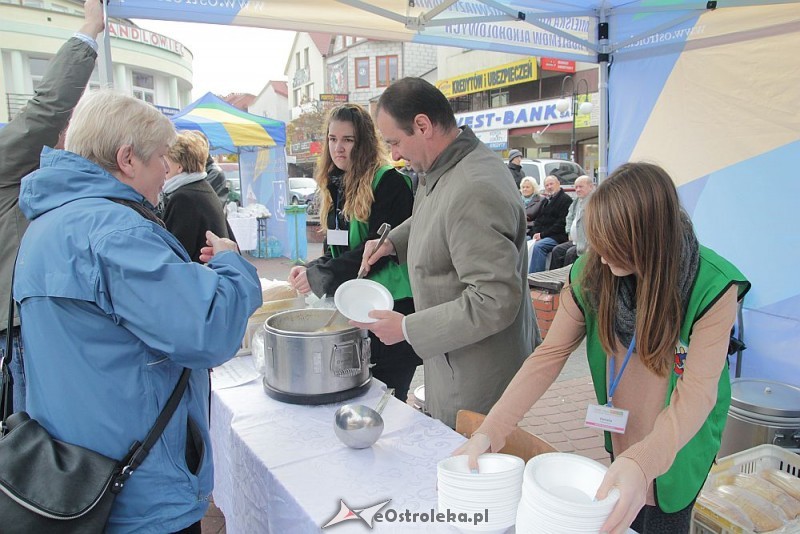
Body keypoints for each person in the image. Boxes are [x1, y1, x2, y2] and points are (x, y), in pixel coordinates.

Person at [13, 90, 263, 533]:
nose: (166, 169)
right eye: (160, 157)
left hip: (72, 475)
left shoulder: (48, 224)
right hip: (137, 490)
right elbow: (207, 332)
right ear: (127, 159)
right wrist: (231, 266)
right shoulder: (115, 232)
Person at [456, 162, 750, 534]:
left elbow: (697, 395)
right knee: (620, 506)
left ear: (648, 240)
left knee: (662, 517)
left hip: (681, 438)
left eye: (614, 245)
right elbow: (549, 355)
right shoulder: (593, 271)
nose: (601, 255)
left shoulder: (712, 286)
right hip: (625, 422)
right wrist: (492, 429)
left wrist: (643, 462)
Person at [357, 77, 538, 429]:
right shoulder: (442, 165)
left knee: (473, 471)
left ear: (422, 125)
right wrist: (394, 240)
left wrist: (408, 328)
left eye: (395, 142)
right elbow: (437, 214)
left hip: (478, 374)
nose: (393, 154)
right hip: (455, 358)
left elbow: (494, 300)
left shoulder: (473, 187)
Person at [0, 0, 103, 414]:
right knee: (37, 444)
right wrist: (89, 30)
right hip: (23, 331)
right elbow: (45, 109)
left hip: (26, 326)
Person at [287, 103, 421, 402]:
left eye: (348, 140)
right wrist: (313, 267)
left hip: (390, 308)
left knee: (388, 400)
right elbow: (338, 249)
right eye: (333, 139)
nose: (339, 147)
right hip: (356, 309)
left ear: (363, 143)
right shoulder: (336, 184)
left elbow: (373, 252)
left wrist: (321, 275)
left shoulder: (389, 182)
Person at [162, 130, 233, 263]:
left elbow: (174, 255)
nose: (162, 166)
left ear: (179, 166)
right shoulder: (200, 189)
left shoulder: (184, 198)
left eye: (165, 160)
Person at [528, 175, 572, 273]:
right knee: (524, 241)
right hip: (543, 234)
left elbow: (561, 224)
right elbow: (539, 220)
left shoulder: (565, 200)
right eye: (546, 185)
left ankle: (536, 278)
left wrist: (542, 235)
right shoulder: (547, 201)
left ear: (558, 184)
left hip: (557, 236)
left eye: (551, 184)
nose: (549, 187)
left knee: (538, 247)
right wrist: (535, 233)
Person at [549, 175, 594, 269]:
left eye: (580, 187)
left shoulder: (594, 201)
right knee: (557, 250)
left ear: (591, 186)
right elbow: (569, 217)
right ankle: (552, 279)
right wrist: (569, 231)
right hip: (574, 240)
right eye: (576, 187)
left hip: (586, 243)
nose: (577, 190)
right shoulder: (577, 201)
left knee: (570, 253)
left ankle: (567, 280)